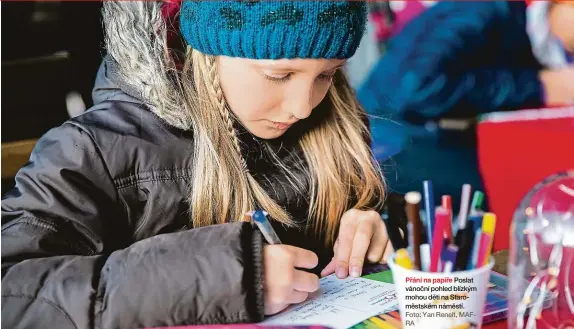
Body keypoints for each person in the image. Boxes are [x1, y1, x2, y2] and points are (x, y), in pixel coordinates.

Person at [1, 1, 394, 328]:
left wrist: (372, 222)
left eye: (327, 74)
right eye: (280, 75)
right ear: (209, 53)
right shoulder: (94, 150)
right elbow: (12, 294)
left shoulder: (337, 120)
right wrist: (221, 276)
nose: (303, 107)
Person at [356, 0, 574, 211]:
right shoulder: (485, 9)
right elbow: (417, 87)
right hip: (383, 144)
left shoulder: (541, 46)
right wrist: (537, 85)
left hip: (421, 141)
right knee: (517, 197)